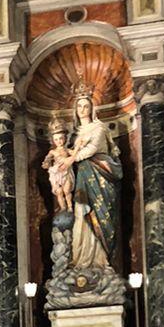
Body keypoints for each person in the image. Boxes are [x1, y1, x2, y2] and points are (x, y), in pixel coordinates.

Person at [69, 90, 122, 271]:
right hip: (83, 179)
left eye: (86, 106)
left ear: (92, 109)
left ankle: (100, 260)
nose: (82, 109)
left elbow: (91, 150)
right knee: (81, 214)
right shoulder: (74, 134)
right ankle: (81, 259)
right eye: (79, 106)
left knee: (99, 213)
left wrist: (70, 158)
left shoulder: (99, 128)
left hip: (100, 176)